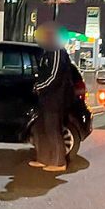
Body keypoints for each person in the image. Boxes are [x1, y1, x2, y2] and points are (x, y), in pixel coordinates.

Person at [29, 22, 75, 172]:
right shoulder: (47, 52)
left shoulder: (56, 52)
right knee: (40, 127)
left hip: (55, 98)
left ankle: (58, 162)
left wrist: (39, 86)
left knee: (52, 129)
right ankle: (43, 158)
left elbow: (54, 76)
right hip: (45, 98)